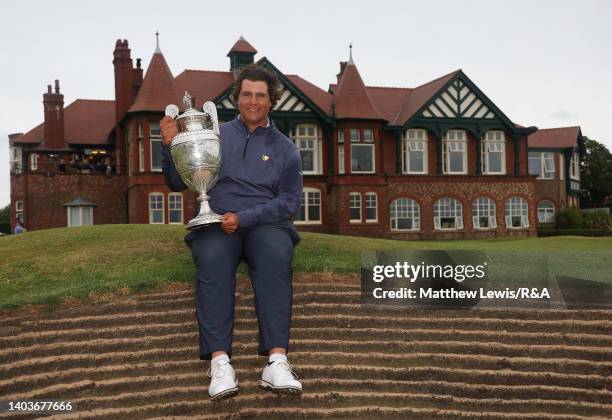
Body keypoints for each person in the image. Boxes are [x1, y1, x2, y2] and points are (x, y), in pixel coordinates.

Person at [160, 65, 304, 400]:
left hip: (265, 223)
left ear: (271, 101)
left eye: (261, 96)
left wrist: (245, 217)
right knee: (212, 260)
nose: (253, 101)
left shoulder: (286, 149)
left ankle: (277, 362)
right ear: (237, 99)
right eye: (247, 95)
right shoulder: (214, 134)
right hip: (215, 220)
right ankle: (220, 363)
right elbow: (174, 182)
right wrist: (169, 146)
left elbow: (290, 201)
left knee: (275, 257)